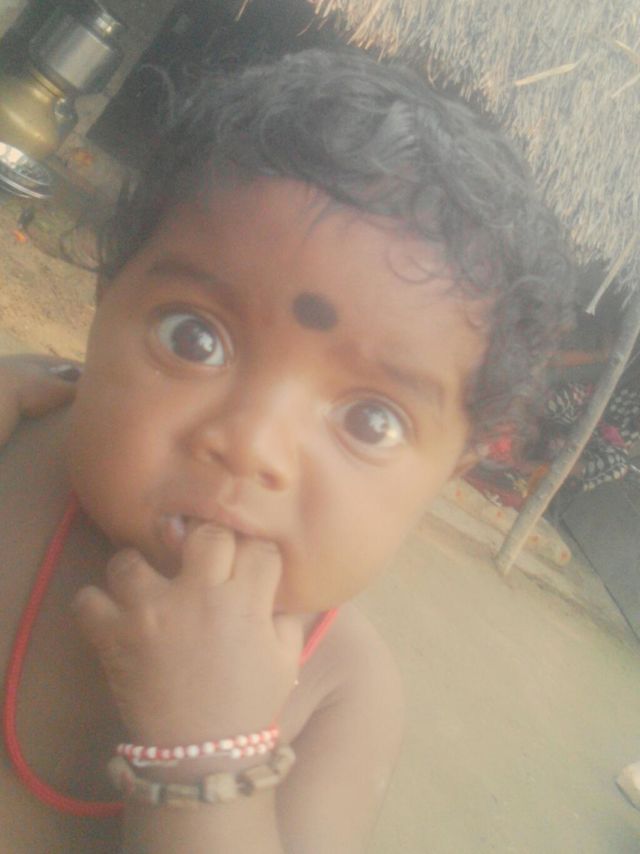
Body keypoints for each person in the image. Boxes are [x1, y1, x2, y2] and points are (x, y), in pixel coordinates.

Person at [0, 49, 573, 853]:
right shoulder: (19, 437)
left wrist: (207, 757)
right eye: (194, 338)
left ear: (450, 474)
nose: (250, 446)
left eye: (371, 421)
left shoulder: (341, 698)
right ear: (107, 296)